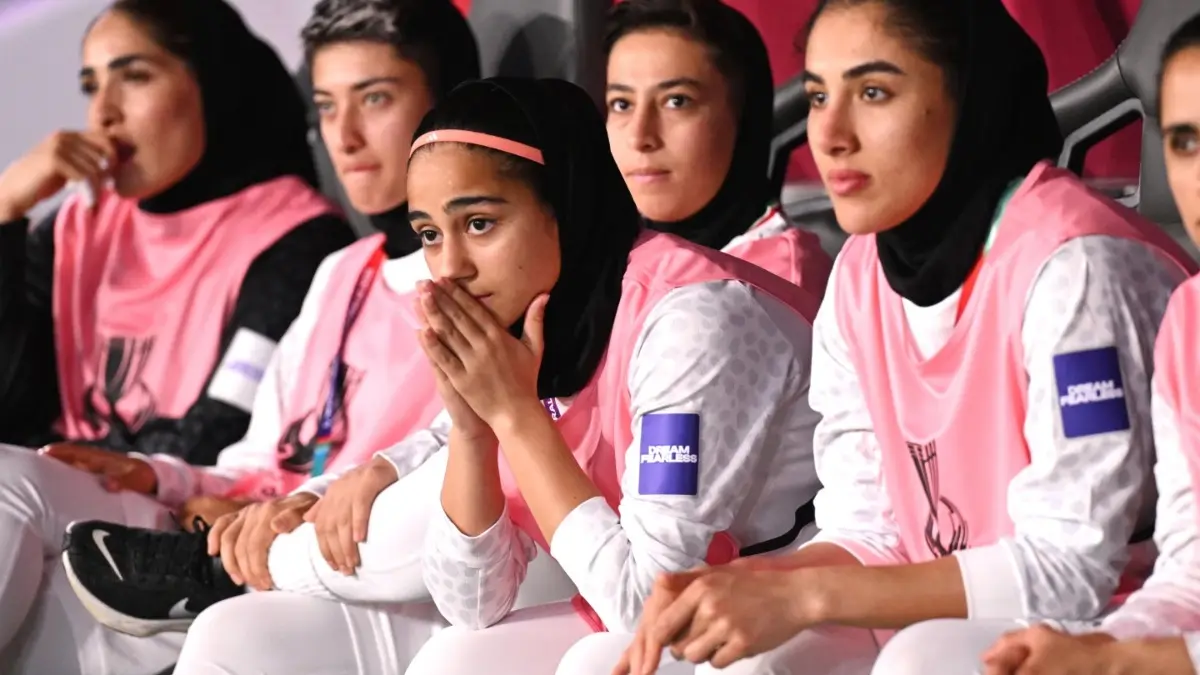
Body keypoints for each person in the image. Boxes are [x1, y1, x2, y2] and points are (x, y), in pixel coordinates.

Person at [557, 0, 1199, 673]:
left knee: (914, 659)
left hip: (1089, 617)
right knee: (692, 655)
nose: (828, 134)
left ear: (968, 99)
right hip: (954, 606)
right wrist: (754, 586)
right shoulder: (861, 270)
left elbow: (1073, 566)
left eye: (872, 92)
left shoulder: (1077, 266)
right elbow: (869, 527)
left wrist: (804, 590)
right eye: (816, 96)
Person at [56, 0, 493, 651]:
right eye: (325, 104)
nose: (342, 135)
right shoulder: (343, 269)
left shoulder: (483, 274)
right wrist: (161, 477)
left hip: (385, 574)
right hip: (259, 539)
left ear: (449, 104)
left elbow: (449, 467)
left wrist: (296, 509)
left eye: (372, 100)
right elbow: (259, 459)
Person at [0, 0, 358, 672]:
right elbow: (10, 406)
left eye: (132, 77)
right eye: (90, 85)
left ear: (209, 82)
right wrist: (3, 215)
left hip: (190, 511)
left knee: (5, 484)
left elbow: (222, 432)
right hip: (64, 514)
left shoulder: (294, 237)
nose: (102, 112)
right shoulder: (78, 227)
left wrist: (94, 462)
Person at [973, 14, 1200, 675]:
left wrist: (1131, 661)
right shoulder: (1189, 318)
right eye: (1186, 142)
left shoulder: (1082, 269)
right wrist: (1103, 648)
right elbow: (1190, 572)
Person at [604, 0, 831, 288]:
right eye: (622, 104)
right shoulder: (603, 252)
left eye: (677, 101)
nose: (640, 137)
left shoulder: (774, 281)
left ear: (744, 117)